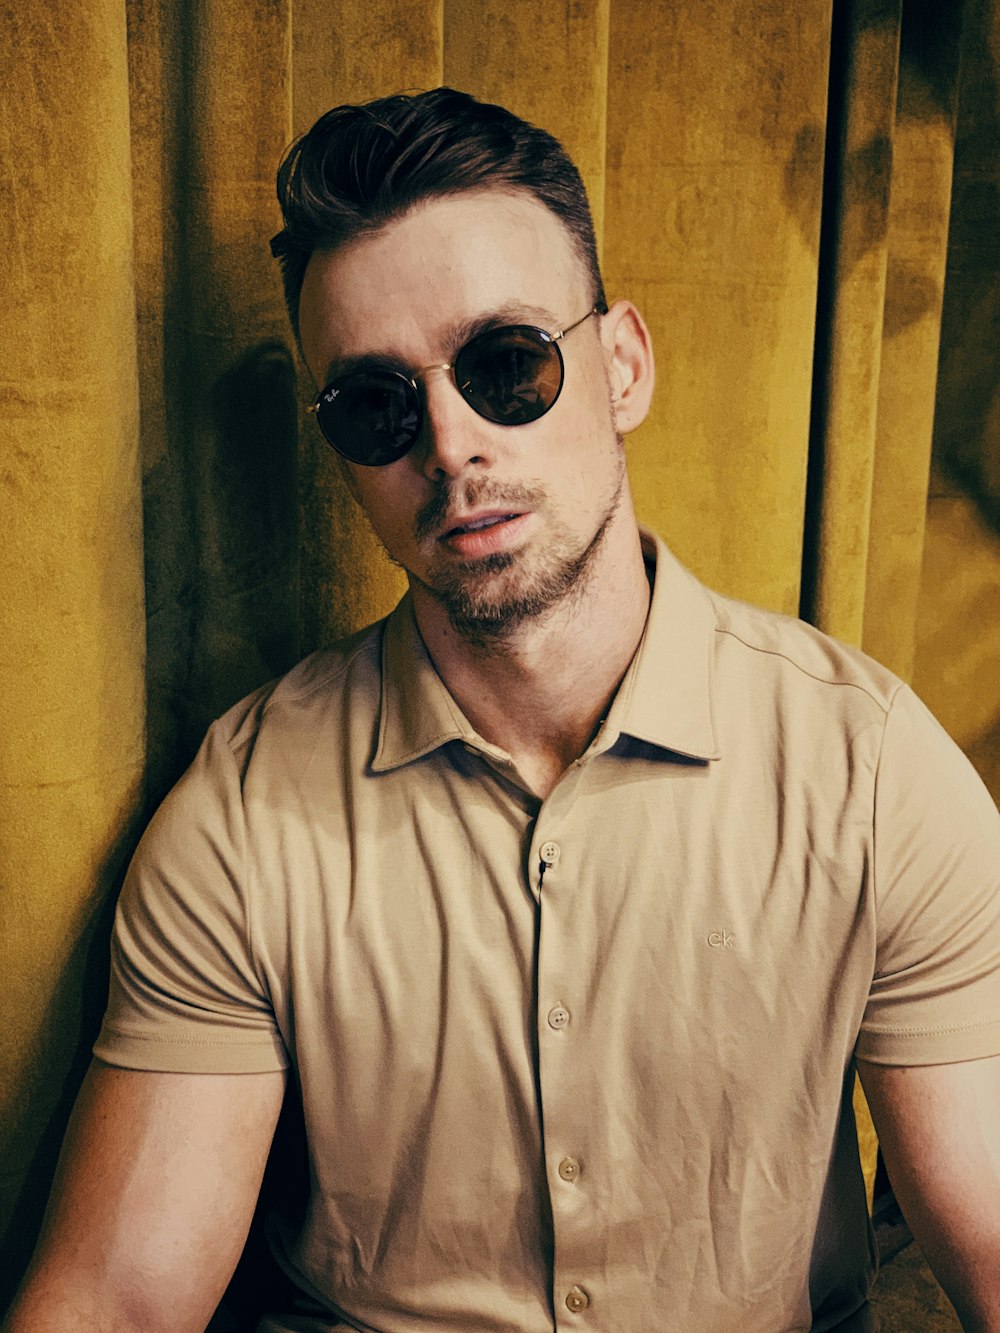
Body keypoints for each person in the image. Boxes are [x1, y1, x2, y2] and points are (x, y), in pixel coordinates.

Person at [5, 87, 1000, 1333]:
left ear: (622, 364)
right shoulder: (245, 811)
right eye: (377, 403)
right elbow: (119, 1294)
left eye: (506, 363)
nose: (451, 441)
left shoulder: (867, 767)